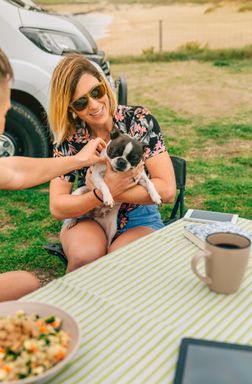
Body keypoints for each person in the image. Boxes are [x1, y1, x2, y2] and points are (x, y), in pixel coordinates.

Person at [0, 26, 105, 324]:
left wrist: (77, 160)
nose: (3, 125)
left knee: (28, 285)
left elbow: (14, 171)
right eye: (4, 113)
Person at [49, 54, 176, 273]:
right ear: (70, 108)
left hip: (140, 216)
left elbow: (167, 190)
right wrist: (97, 196)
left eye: (96, 92)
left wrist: (112, 191)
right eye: (81, 102)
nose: (94, 104)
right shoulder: (69, 139)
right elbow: (58, 206)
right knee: (83, 259)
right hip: (91, 214)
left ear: (105, 85)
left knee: (117, 266)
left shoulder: (139, 120)